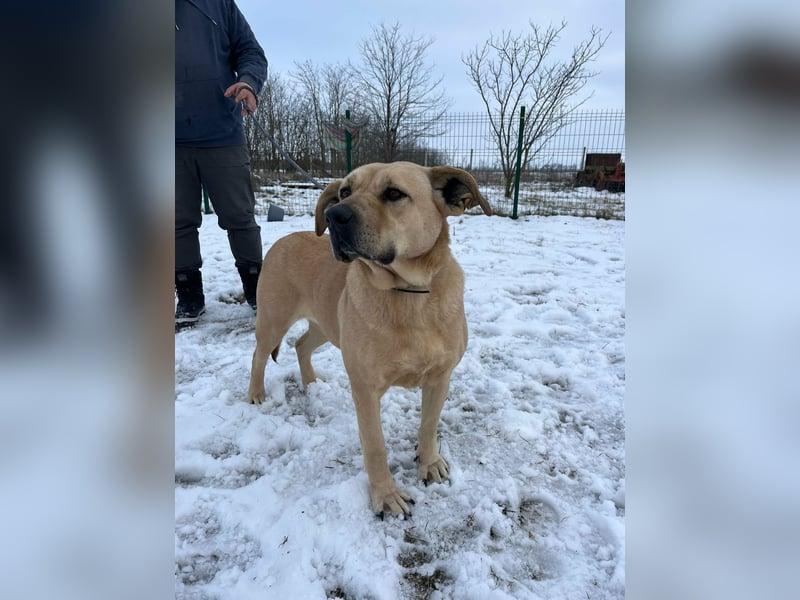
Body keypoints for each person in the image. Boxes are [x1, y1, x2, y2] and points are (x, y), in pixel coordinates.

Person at [175, 0, 268, 328]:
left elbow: (251, 52)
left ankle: (259, 291)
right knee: (175, 223)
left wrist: (248, 83)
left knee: (239, 218)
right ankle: (188, 296)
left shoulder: (217, 5)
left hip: (222, 134)